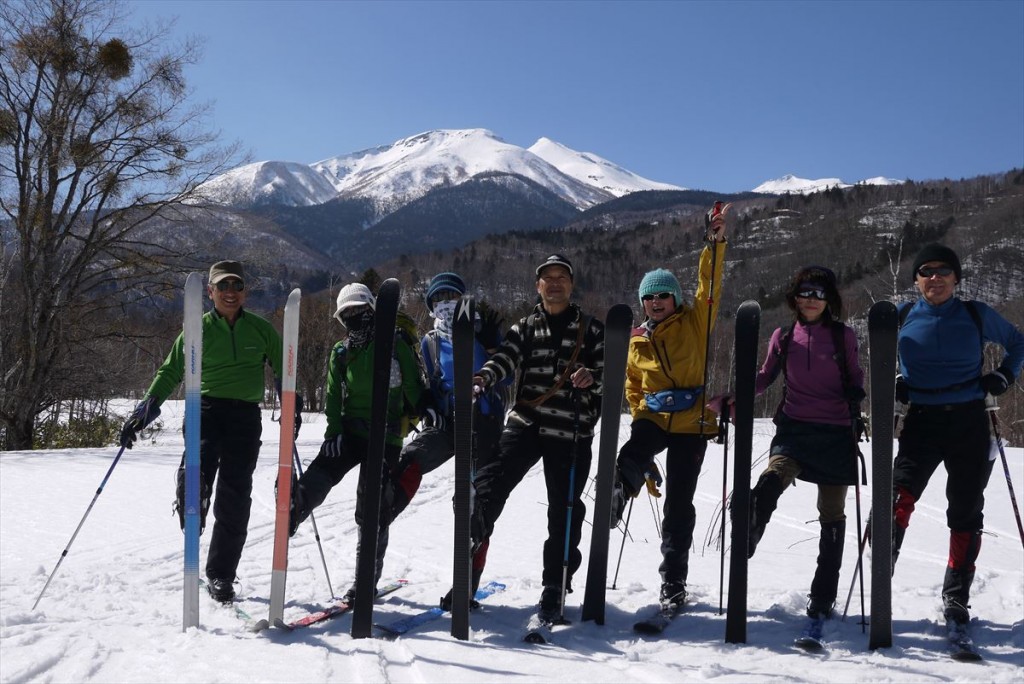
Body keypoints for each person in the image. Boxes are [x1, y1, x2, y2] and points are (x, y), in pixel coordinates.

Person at [119, 260, 296, 603]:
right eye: (223, 287)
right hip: (206, 409)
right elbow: (170, 371)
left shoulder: (261, 330)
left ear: (244, 291)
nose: (230, 293)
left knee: (235, 497)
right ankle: (192, 492)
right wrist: (144, 411)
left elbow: (282, 369)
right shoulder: (195, 330)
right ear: (211, 292)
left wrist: (293, 403)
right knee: (198, 466)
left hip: (245, 416)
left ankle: (221, 576)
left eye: (237, 286)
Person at [454, 254, 605, 620]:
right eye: (547, 278)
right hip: (527, 422)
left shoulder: (592, 329)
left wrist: (591, 376)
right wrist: (483, 377)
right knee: (489, 482)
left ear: (571, 284)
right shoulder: (525, 326)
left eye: (561, 277)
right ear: (538, 286)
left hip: (570, 429)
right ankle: (473, 538)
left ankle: (555, 584)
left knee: (564, 510)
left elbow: (610, 373)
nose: (554, 283)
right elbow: (505, 358)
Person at [887, 243, 1023, 627]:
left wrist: (1003, 376)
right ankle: (881, 579)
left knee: (965, 511)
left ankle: (956, 596)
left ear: (956, 278)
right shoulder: (902, 316)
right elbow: (877, 357)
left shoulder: (974, 313)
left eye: (943, 271)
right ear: (916, 280)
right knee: (897, 499)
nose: (935, 277)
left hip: (968, 421)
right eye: (926, 270)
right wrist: (893, 381)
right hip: (921, 421)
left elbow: (1018, 342)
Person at [610, 205, 728, 611]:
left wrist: (713, 244)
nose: (656, 302)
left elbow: (709, 285)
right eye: (649, 297)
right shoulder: (636, 339)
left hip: (691, 422)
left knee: (679, 503)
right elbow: (631, 383)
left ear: (675, 299)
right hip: (654, 417)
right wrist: (640, 406)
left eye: (663, 295)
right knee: (633, 450)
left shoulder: (696, 321)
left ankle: (673, 582)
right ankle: (618, 492)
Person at [368, 272, 508, 608]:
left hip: (483, 424)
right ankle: (383, 513)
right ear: (431, 305)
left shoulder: (482, 331)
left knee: (473, 503)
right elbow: (433, 382)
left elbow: (509, 373)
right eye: (439, 298)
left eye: (452, 296)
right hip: (448, 425)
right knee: (407, 461)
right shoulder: (430, 342)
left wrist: (492, 345)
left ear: (463, 299)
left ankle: (466, 583)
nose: (446, 303)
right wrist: (428, 406)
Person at [288, 282, 428, 603]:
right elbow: (333, 397)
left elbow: (416, 395)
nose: (354, 319)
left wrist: (414, 419)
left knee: (371, 507)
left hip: (387, 436)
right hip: (350, 432)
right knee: (324, 468)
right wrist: (333, 433)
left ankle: (366, 578)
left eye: (359, 312)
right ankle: (294, 507)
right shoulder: (342, 352)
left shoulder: (396, 346)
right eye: (346, 315)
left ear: (372, 311)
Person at [744, 266, 866, 621]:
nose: (810, 299)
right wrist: (736, 395)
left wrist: (856, 394)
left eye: (818, 293)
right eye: (804, 292)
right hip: (795, 427)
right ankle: (753, 523)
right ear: (794, 297)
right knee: (774, 475)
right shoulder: (783, 336)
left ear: (829, 299)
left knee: (831, 515)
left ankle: (823, 594)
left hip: (836, 431)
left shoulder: (844, 336)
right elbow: (765, 376)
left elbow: (856, 374)